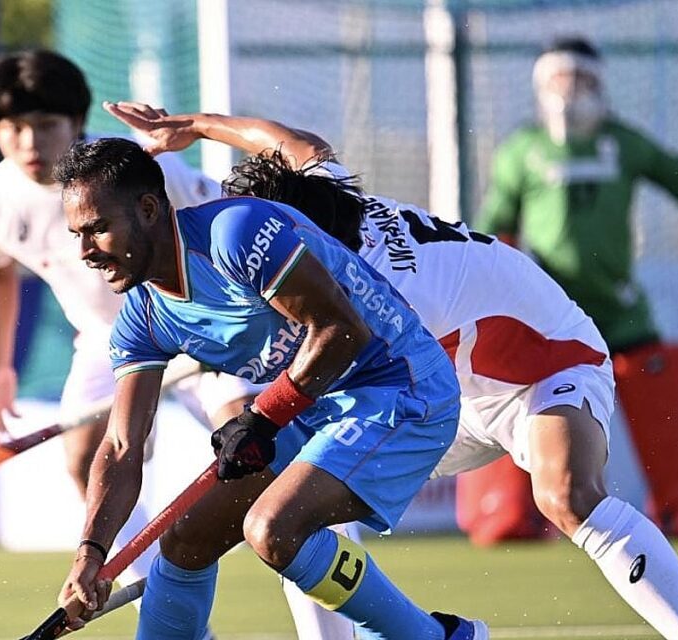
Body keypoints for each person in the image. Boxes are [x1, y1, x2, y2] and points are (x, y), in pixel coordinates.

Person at [101, 101, 678, 639]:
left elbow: (330, 347)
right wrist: (194, 126)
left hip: (537, 365)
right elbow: (295, 144)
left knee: (568, 497)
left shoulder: (368, 287)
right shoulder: (321, 202)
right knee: (290, 502)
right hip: (431, 388)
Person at [53, 137, 487, 640]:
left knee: (273, 528)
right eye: (77, 235)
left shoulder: (234, 233)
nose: (85, 252)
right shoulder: (142, 319)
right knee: (186, 540)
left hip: (403, 389)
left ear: (148, 209)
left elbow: (340, 330)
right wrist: (91, 553)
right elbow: (121, 446)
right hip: (316, 412)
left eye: (98, 229)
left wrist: (262, 417)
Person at [0, 49, 221, 593]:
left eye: (45, 125)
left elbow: (223, 221)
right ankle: (162, 604)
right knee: (86, 460)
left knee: (260, 444)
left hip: (205, 319)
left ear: (77, 121)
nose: (30, 143)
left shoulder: (136, 168)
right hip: (112, 338)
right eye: (13, 127)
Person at [475, 36, 678, 536]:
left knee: (657, 384)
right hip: (547, 310)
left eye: (581, 80)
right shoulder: (521, 150)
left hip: (619, 307)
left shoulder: (625, 142)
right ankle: (508, 508)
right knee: (517, 391)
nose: (570, 92)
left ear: (599, 85)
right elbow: (497, 226)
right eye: (560, 80)